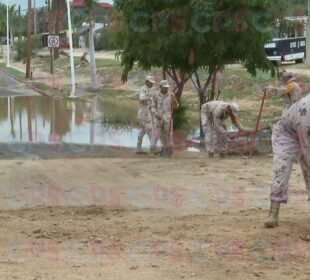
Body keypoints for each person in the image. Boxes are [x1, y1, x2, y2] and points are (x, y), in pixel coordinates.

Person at [264, 93, 310, 228]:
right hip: (287, 134)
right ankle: (273, 213)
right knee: (282, 170)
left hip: (303, 132)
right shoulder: (307, 112)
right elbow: (307, 150)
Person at [151, 80, 178, 157]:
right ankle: (153, 150)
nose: (166, 89)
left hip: (168, 119)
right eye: (164, 87)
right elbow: (152, 107)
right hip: (158, 118)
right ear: (160, 87)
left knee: (168, 135)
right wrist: (156, 114)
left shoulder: (171, 95)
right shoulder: (156, 95)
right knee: (155, 134)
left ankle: (168, 150)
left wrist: (174, 101)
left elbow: (176, 107)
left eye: (167, 88)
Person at [136, 75, 156, 154]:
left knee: (143, 130)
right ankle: (153, 147)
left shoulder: (147, 89)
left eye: (152, 83)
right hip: (144, 113)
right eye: (151, 83)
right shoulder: (144, 89)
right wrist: (150, 98)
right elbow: (141, 98)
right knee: (150, 129)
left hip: (145, 112)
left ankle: (138, 148)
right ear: (147, 82)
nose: (152, 84)